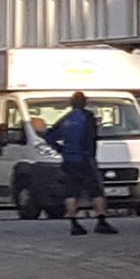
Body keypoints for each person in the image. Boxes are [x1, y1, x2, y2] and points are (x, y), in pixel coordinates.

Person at [42, 91, 116, 236]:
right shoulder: (87, 117)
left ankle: (74, 223)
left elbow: (49, 135)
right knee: (96, 191)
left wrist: (61, 149)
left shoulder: (67, 118)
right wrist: (90, 155)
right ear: (85, 102)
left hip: (69, 160)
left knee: (71, 192)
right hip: (85, 160)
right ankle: (101, 221)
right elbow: (91, 139)